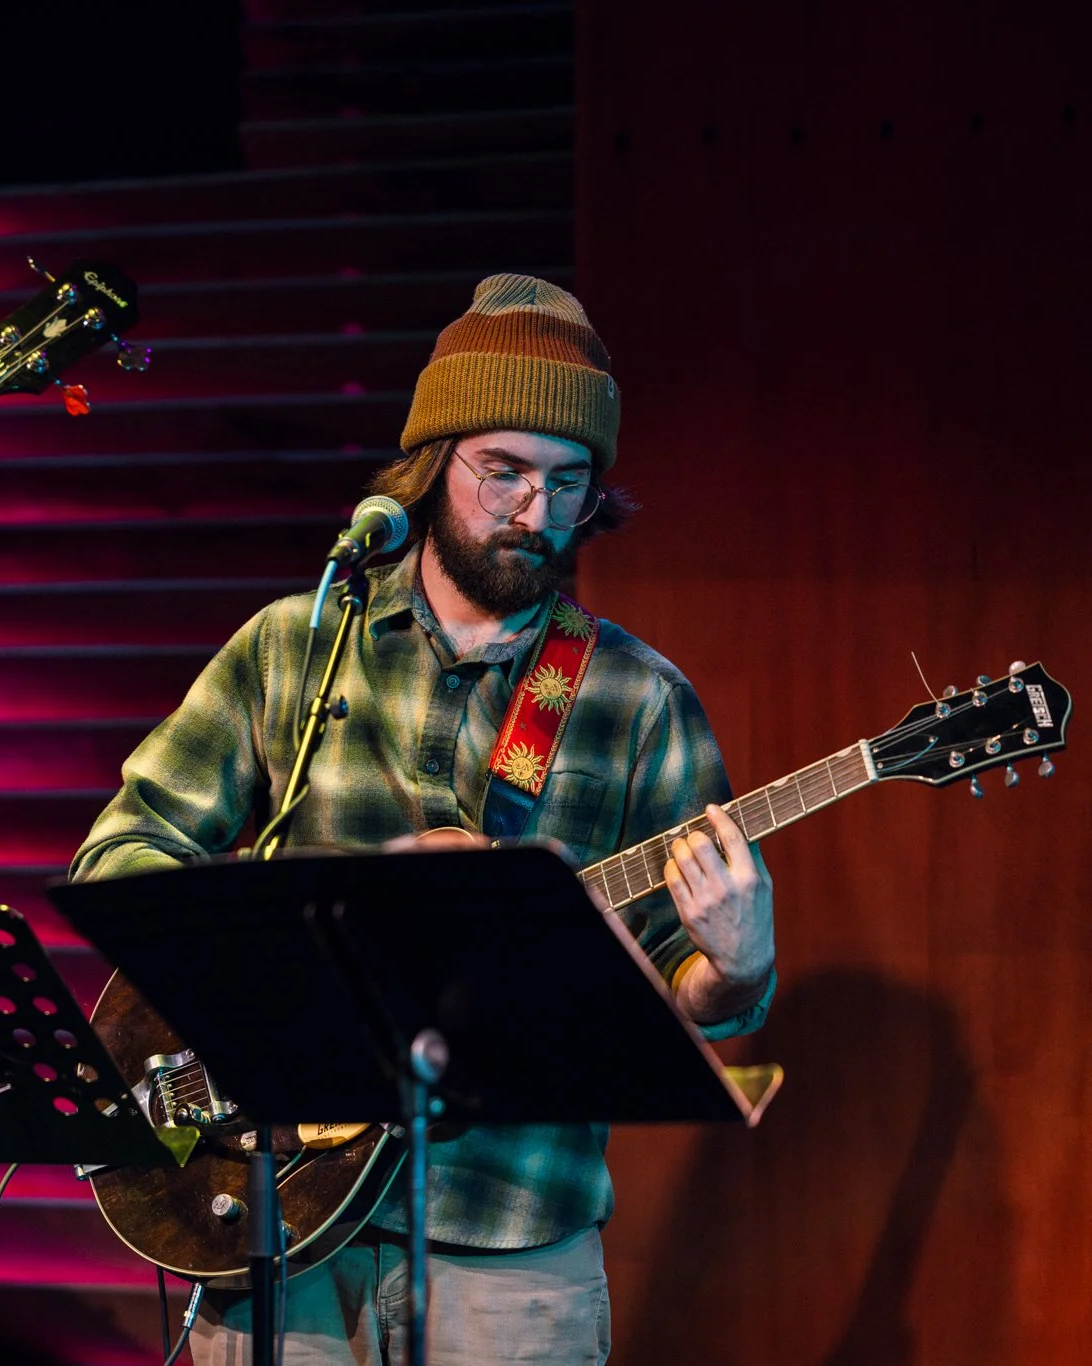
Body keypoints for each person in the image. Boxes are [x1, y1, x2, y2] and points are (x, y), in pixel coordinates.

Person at [70, 274, 776, 1365]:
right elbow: (121, 855)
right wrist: (311, 948)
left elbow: (702, 1002)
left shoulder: (636, 699)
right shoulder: (295, 646)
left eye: (566, 483)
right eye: (502, 473)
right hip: (275, 1212)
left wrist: (731, 963)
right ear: (430, 460)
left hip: (507, 1239)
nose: (534, 517)